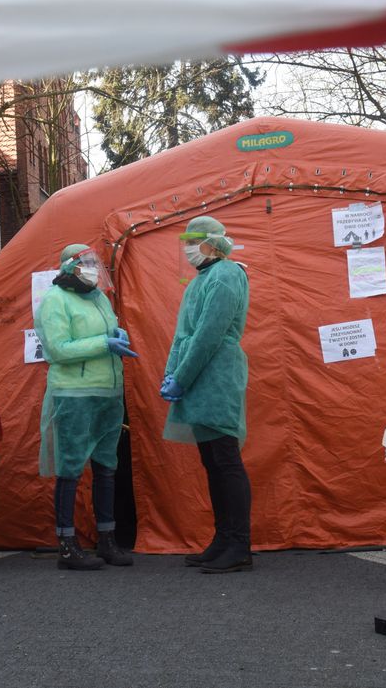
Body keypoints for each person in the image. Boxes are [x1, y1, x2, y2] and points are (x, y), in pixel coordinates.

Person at [34, 243, 138, 570]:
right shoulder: (54, 300)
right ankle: (67, 545)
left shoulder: (99, 299)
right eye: (86, 264)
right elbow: (57, 349)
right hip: (74, 394)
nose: (93, 270)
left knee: (107, 465)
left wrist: (115, 333)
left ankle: (107, 540)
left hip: (108, 391)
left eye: (95, 264)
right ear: (69, 268)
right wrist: (103, 343)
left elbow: (106, 333)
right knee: (71, 467)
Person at [160, 216, 252, 574]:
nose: (187, 248)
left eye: (193, 241)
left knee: (225, 459)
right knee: (212, 460)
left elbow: (208, 336)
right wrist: (172, 374)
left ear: (213, 242)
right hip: (197, 376)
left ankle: (239, 543)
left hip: (215, 373)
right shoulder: (199, 281)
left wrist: (181, 376)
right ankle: (223, 539)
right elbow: (184, 333)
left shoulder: (228, 275)